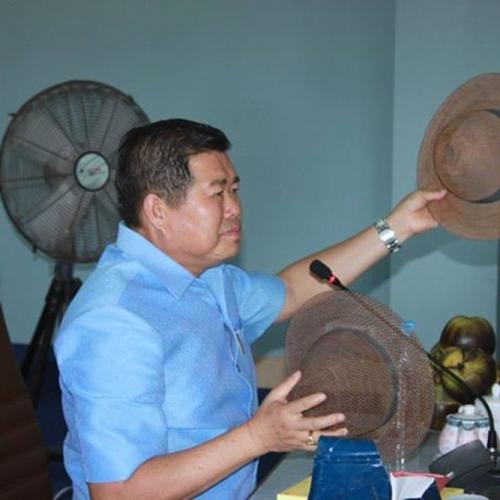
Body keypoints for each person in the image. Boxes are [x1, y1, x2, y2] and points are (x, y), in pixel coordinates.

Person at [54, 118, 446, 500]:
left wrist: (400, 227)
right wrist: (259, 437)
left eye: (235, 190)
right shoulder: (113, 321)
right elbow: (119, 492)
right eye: (217, 193)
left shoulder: (208, 277)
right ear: (157, 210)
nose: (234, 208)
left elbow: (293, 290)